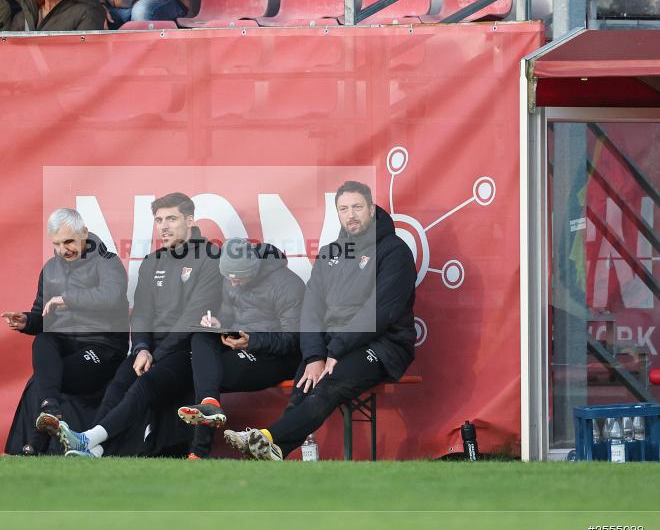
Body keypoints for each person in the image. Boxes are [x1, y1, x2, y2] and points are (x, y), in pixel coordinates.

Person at [223, 181, 417, 460]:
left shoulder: (394, 251)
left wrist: (335, 350)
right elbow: (311, 310)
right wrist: (314, 355)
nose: (351, 214)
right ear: (337, 213)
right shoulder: (329, 254)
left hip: (383, 345)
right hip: (331, 347)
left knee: (330, 381)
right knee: (305, 384)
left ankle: (268, 437)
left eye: (357, 207)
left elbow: (379, 313)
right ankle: (274, 450)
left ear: (372, 209)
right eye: (344, 209)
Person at [37, 192, 223, 457]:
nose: (164, 226)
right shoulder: (152, 262)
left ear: (190, 220)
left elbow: (192, 318)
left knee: (144, 385)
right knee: (118, 385)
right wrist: (142, 347)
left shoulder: (211, 258)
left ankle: (86, 440)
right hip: (151, 351)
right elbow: (142, 314)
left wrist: (154, 355)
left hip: (188, 350)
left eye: (171, 218)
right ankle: (95, 450)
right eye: (159, 220)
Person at [1, 208, 129, 455]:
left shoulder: (108, 262)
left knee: (44, 379)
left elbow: (111, 297)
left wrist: (67, 299)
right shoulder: (50, 269)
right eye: (57, 244)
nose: (63, 249)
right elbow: (43, 316)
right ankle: (50, 409)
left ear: (84, 233)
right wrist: (27, 321)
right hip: (66, 342)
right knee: (43, 340)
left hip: (104, 347)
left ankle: (32, 446)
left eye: (69, 241)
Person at [178, 238, 304, 459]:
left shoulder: (288, 285)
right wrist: (220, 325)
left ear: (255, 268)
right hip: (242, 344)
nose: (233, 284)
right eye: (229, 278)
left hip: (275, 357)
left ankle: (199, 450)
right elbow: (228, 314)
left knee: (205, 374)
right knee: (200, 336)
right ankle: (210, 404)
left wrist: (252, 341)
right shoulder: (230, 279)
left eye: (240, 278)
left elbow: (292, 341)